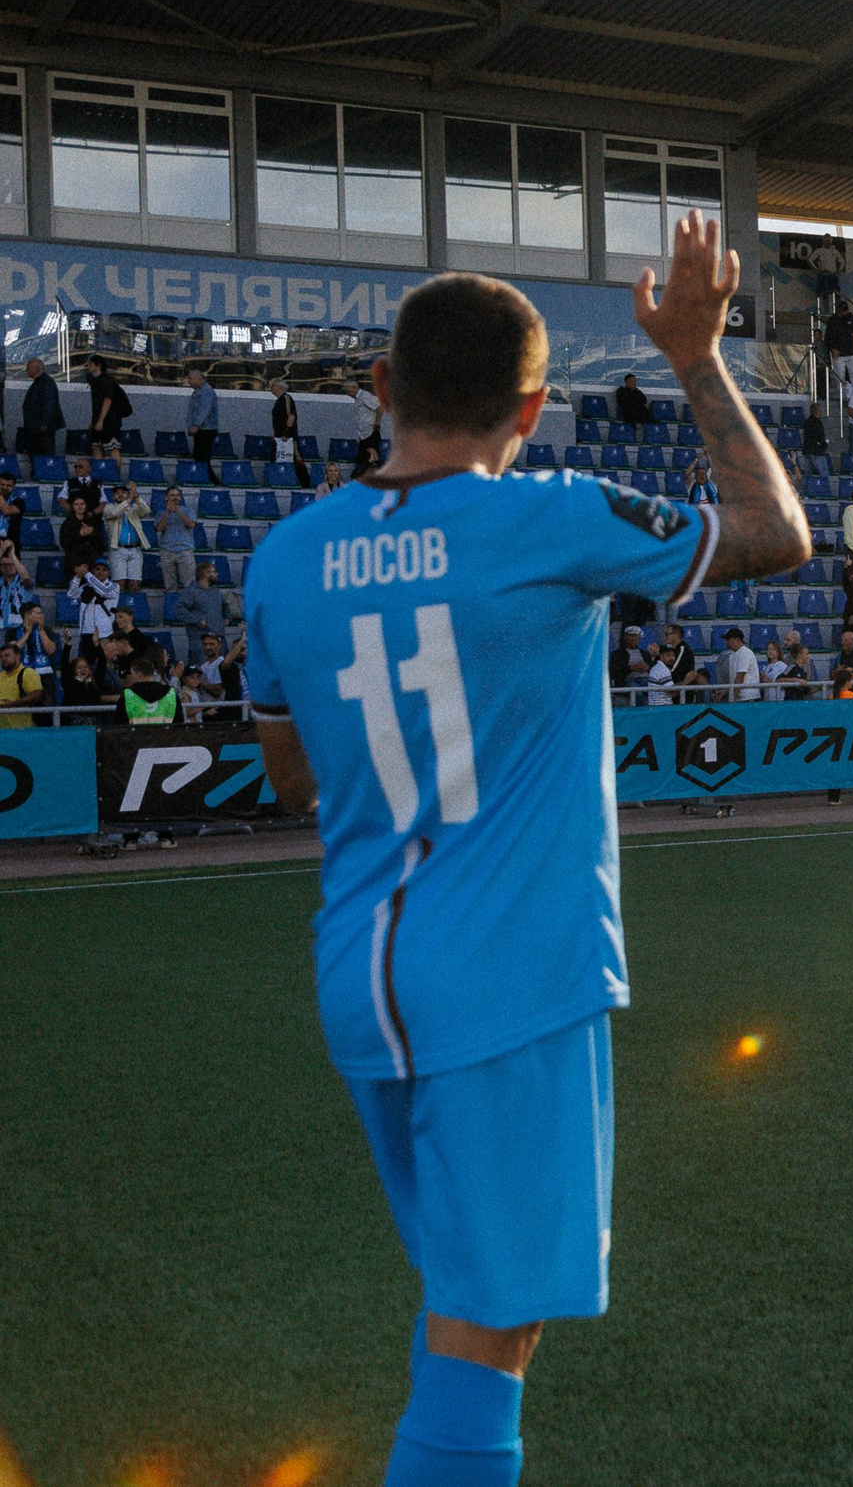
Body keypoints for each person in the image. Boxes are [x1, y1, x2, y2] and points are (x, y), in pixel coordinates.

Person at [242, 214, 809, 1483]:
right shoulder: (551, 519)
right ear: (535, 409)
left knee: (465, 1296)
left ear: (382, 387)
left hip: (362, 974)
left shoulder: (282, 558)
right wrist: (696, 355)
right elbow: (774, 530)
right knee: (492, 1330)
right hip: (507, 975)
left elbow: (292, 775)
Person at [86, 356, 133, 460]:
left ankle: (115, 469)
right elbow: (96, 405)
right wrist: (94, 421)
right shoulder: (94, 381)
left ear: (98, 365)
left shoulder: (106, 381)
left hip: (110, 420)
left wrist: (100, 420)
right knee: (96, 447)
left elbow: (108, 400)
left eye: (91, 364)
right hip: (98, 419)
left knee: (113, 448)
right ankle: (99, 468)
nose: (88, 366)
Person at [16, 356, 63, 459]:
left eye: (29, 368)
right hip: (35, 427)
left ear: (36, 368)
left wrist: (45, 423)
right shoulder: (41, 382)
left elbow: (49, 403)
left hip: (41, 428)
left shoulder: (46, 383)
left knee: (43, 454)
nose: (26, 370)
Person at [271, 378, 312, 489]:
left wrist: (287, 432)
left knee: (296, 459)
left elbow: (291, 416)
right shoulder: (278, 401)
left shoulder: (286, 398)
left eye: (273, 386)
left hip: (288, 438)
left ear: (279, 387)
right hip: (279, 437)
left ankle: (305, 483)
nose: (271, 388)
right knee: (275, 458)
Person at [185, 368, 219, 465]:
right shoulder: (200, 391)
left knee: (202, 458)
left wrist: (195, 424)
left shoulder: (205, 391)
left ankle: (207, 474)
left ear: (198, 379)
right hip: (202, 429)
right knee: (200, 457)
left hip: (205, 429)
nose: (188, 381)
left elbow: (204, 410)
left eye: (190, 379)